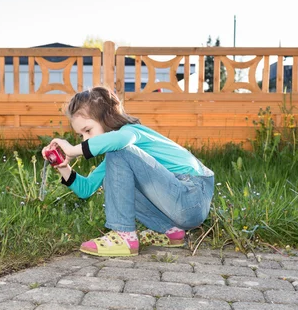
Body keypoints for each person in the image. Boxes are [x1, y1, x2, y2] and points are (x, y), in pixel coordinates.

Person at [41, 86, 214, 257]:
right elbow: (86, 189)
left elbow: (119, 140)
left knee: (120, 151)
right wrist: (64, 167)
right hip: (178, 209)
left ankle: (124, 236)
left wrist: (73, 150)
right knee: (114, 175)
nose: (85, 139)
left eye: (87, 130)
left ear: (106, 119)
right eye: (81, 136)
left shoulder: (131, 133)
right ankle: (171, 232)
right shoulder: (119, 158)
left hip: (192, 194)